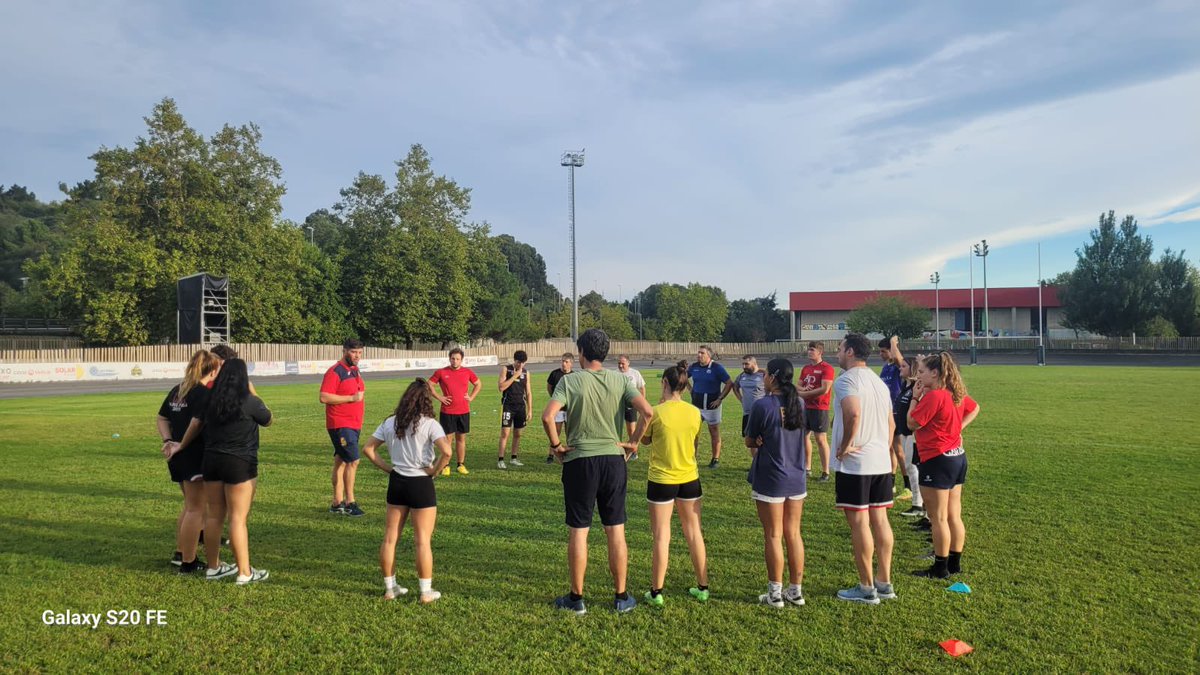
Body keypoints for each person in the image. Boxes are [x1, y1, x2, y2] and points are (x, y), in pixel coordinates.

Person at [542, 328, 654, 615]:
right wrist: (632, 444)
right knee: (615, 530)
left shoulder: (570, 381)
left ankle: (576, 599)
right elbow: (648, 412)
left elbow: (547, 416)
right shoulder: (620, 379)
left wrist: (556, 445)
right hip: (613, 460)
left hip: (580, 460)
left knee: (579, 531)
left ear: (581, 352)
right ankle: (621, 597)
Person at [169, 359, 272, 584]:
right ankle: (245, 572)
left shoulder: (210, 400)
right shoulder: (249, 400)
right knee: (237, 518)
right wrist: (254, 393)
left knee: (214, 516)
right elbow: (268, 419)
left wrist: (180, 445)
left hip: (211, 461)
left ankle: (213, 567)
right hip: (240, 463)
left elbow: (195, 424)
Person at [361, 379, 454, 604]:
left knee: (390, 539)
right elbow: (448, 452)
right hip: (421, 484)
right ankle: (425, 592)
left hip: (397, 483)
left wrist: (388, 469)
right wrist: (434, 471)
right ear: (427, 399)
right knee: (422, 541)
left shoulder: (392, 422)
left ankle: (390, 588)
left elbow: (368, 449)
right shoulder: (430, 424)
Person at [831, 334, 897, 604]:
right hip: (880, 460)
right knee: (880, 520)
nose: (836, 353)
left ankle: (866, 587)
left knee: (859, 523)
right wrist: (884, 448)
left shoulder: (847, 380)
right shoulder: (879, 383)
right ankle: (884, 582)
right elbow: (891, 424)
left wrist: (846, 445)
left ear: (849, 351)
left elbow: (853, 413)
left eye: (838, 348)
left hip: (857, 465)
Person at [908, 352, 980, 579]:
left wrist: (915, 397)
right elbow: (974, 408)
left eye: (921, 372)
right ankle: (954, 563)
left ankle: (940, 568)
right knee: (953, 515)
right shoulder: (954, 393)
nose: (918, 376)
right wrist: (958, 429)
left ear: (935, 373)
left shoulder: (935, 396)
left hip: (937, 459)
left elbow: (912, 423)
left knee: (938, 517)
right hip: (957, 457)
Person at [641, 365, 708, 607]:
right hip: (690, 477)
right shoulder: (694, 412)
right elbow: (695, 443)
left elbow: (645, 440)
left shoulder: (656, 412)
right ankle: (703, 586)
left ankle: (656, 591)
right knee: (694, 532)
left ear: (665, 383)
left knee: (661, 536)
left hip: (661, 479)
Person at [744, 358, 807, 608]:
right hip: (796, 477)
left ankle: (775, 593)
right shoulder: (799, 403)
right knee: (793, 533)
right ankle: (796, 591)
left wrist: (758, 441)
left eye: (765, 375)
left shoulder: (763, 405)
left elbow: (749, 441)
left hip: (771, 477)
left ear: (772, 377)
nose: (763, 378)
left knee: (773, 535)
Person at [156, 349, 220, 573]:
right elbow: (196, 424)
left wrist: (168, 440)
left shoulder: (178, 390)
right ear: (212, 370)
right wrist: (181, 443)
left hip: (178, 455)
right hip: (193, 454)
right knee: (196, 509)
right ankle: (189, 562)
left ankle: (181, 551)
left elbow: (161, 417)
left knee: (190, 506)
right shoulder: (202, 394)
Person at [319, 339, 366, 516]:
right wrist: (351, 399)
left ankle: (336, 502)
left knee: (341, 460)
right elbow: (324, 397)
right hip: (340, 424)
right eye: (354, 352)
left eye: (360, 352)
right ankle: (350, 502)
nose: (357, 356)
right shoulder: (335, 371)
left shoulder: (354, 370)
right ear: (345, 351)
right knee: (353, 460)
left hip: (353, 424)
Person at [428, 348, 481, 476]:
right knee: (447, 440)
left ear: (461, 360)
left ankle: (460, 464)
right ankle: (446, 465)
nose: (455, 361)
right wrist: (439, 397)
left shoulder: (467, 372)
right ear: (449, 358)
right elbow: (429, 384)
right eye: (453, 358)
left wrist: (472, 397)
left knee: (461, 439)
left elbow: (478, 384)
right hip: (447, 412)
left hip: (463, 411)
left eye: (457, 359)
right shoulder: (441, 372)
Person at [687, 346, 732, 469]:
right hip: (696, 405)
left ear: (709, 355)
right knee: (694, 433)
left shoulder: (717, 368)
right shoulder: (694, 367)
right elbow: (683, 377)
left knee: (714, 432)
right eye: (698, 352)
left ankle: (715, 459)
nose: (699, 355)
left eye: (702, 353)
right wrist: (691, 389)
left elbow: (729, 383)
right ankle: (692, 458)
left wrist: (720, 398)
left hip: (712, 406)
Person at [797, 341, 836, 482]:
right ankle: (807, 468)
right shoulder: (806, 368)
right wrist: (803, 391)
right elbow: (798, 386)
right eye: (808, 349)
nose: (809, 352)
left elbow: (825, 388)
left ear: (820, 352)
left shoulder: (827, 368)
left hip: (819, 408)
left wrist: (807, 393)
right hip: (805, 407)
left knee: (820, 439)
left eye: (812, 350)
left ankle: (825, 471)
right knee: (804, 437)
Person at [894, 357, 925, 519]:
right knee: (909, 466)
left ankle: (917, 504)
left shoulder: (916, 388)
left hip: (912, 434)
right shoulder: (906, 387)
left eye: (904, 366)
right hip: (905, 433)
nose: (900, 368)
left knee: (912, 467)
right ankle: (918, 503)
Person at [879, 336, 909, 496]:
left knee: (898, 448)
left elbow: (899, 358)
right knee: (890, 448)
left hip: (896, 412)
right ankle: (891, 483)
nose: (880, 354)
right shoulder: (885, 367)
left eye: (883, 351)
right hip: (886, 412)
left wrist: (893, 343)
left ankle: (908, 485)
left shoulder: (898, 367)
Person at [497, 350, 533, 469]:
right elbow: (501, 387)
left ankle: (514, 458)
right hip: (508, 406)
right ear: (514, 360)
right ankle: (501, 459)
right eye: (518, 362)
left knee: (518, 434)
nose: (520, 365)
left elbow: (528, 392)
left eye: (523, 363)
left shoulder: (526, 373)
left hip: (521, 407)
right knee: (505, 433)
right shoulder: (506, 369)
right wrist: (514, 376)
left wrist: (530, 410)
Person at [544, 353, 574, 463]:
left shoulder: (574, 376)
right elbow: (549, 387)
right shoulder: (555, 374)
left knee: (570, 432)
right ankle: (551, 455)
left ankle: (570, 453)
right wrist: (555, 400)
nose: (563, 364)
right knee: (555, 432)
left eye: (566, 362)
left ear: (571, 363)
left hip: (570, 409)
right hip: (558, 409)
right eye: (562, 361)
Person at [616, 355, 646, 458]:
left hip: (631, 406)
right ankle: (616, 450)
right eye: (619, 363)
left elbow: (642, 388)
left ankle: (634, 452)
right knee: (615, 429)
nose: (620, 365)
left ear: (628, 363)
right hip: (617, 406)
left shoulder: (635, 373)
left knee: (631, 430)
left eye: (622, 363)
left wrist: (641, 404)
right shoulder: (614, 374)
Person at [729, 355, 766, 437]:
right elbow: (735, 387)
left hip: (762, 413)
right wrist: (741, 399)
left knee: (764, 438)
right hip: (747, 413)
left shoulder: (764, 375)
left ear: (754, 364)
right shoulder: (742, 376)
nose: (744, 366)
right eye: (743, 364)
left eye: (746, 364)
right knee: (750, 440)